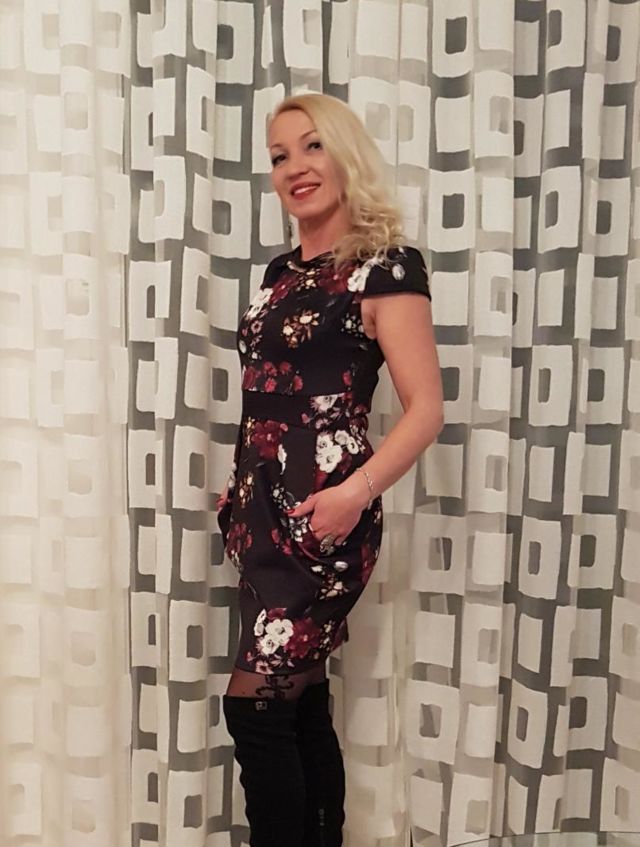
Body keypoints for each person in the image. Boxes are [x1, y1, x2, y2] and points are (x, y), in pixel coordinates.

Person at [216, 92, 443, 847]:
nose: (295, 167)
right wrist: (243, 485)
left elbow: (426, 409)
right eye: (280, 155)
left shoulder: (387, 267)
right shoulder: (279, 273)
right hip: (260, 517)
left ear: (345, 154)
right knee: (299, 701)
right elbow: (268, 398)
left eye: (312, 146)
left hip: (326, 516)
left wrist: (354, 494)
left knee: (255, 707)